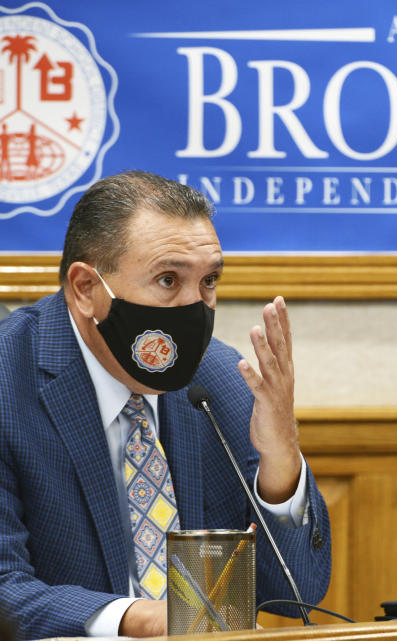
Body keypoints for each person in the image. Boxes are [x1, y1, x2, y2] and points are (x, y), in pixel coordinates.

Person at [0, 171, 331, 639]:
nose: (195, 307)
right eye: (168, 279)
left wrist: (281, 466)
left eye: (209, 281)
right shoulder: (8, 379)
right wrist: (141, 617)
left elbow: (299, 590)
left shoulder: (220, 381)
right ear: (85, 289)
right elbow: (4, 588)